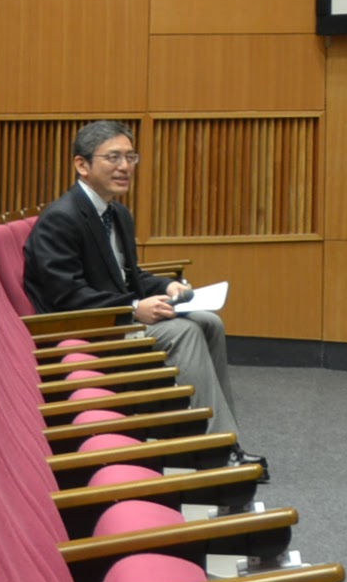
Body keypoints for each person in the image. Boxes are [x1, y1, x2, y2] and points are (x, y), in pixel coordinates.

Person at [25, 121, 241, 443]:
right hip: (85, 327)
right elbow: (66, 296)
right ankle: (219, 446)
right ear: (82, 165)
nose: (125, 167)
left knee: (210, 322)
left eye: (130, 157)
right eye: (113, 158)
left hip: (115, 315)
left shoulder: (118, 214)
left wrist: (167, 286)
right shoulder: (61, 218)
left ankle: (216, 433)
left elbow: (126, 274)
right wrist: (134, 307)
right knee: (184, 332)